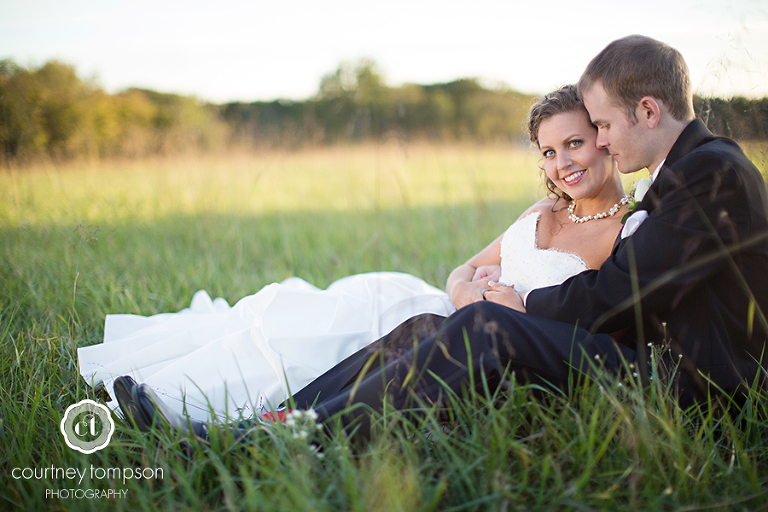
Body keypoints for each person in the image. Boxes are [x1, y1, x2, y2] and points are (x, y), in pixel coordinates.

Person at [278, 34, 768, 435]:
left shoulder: (711, 171)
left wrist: (524, 304)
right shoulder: (690, 170)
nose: (602, 140)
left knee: (487, 325)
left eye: (602, 125)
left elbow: (623, 289)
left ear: (648, 111)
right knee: (434, 326)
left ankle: (310, 433)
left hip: (694, 389)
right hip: (652, 363)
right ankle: (283, 418)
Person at [112, 84, 636, 438]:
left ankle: (270, 435)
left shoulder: (626, 233)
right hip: (469, 325)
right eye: (548, 152)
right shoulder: (542, 210)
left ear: (605, 139)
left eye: (574, 143)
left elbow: (591, 329)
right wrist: (466, 292)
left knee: (426, 333)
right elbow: (462, 270)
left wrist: (511, 306)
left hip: (515, 363)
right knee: (417, 326)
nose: (562, 163)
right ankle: (266, 425)